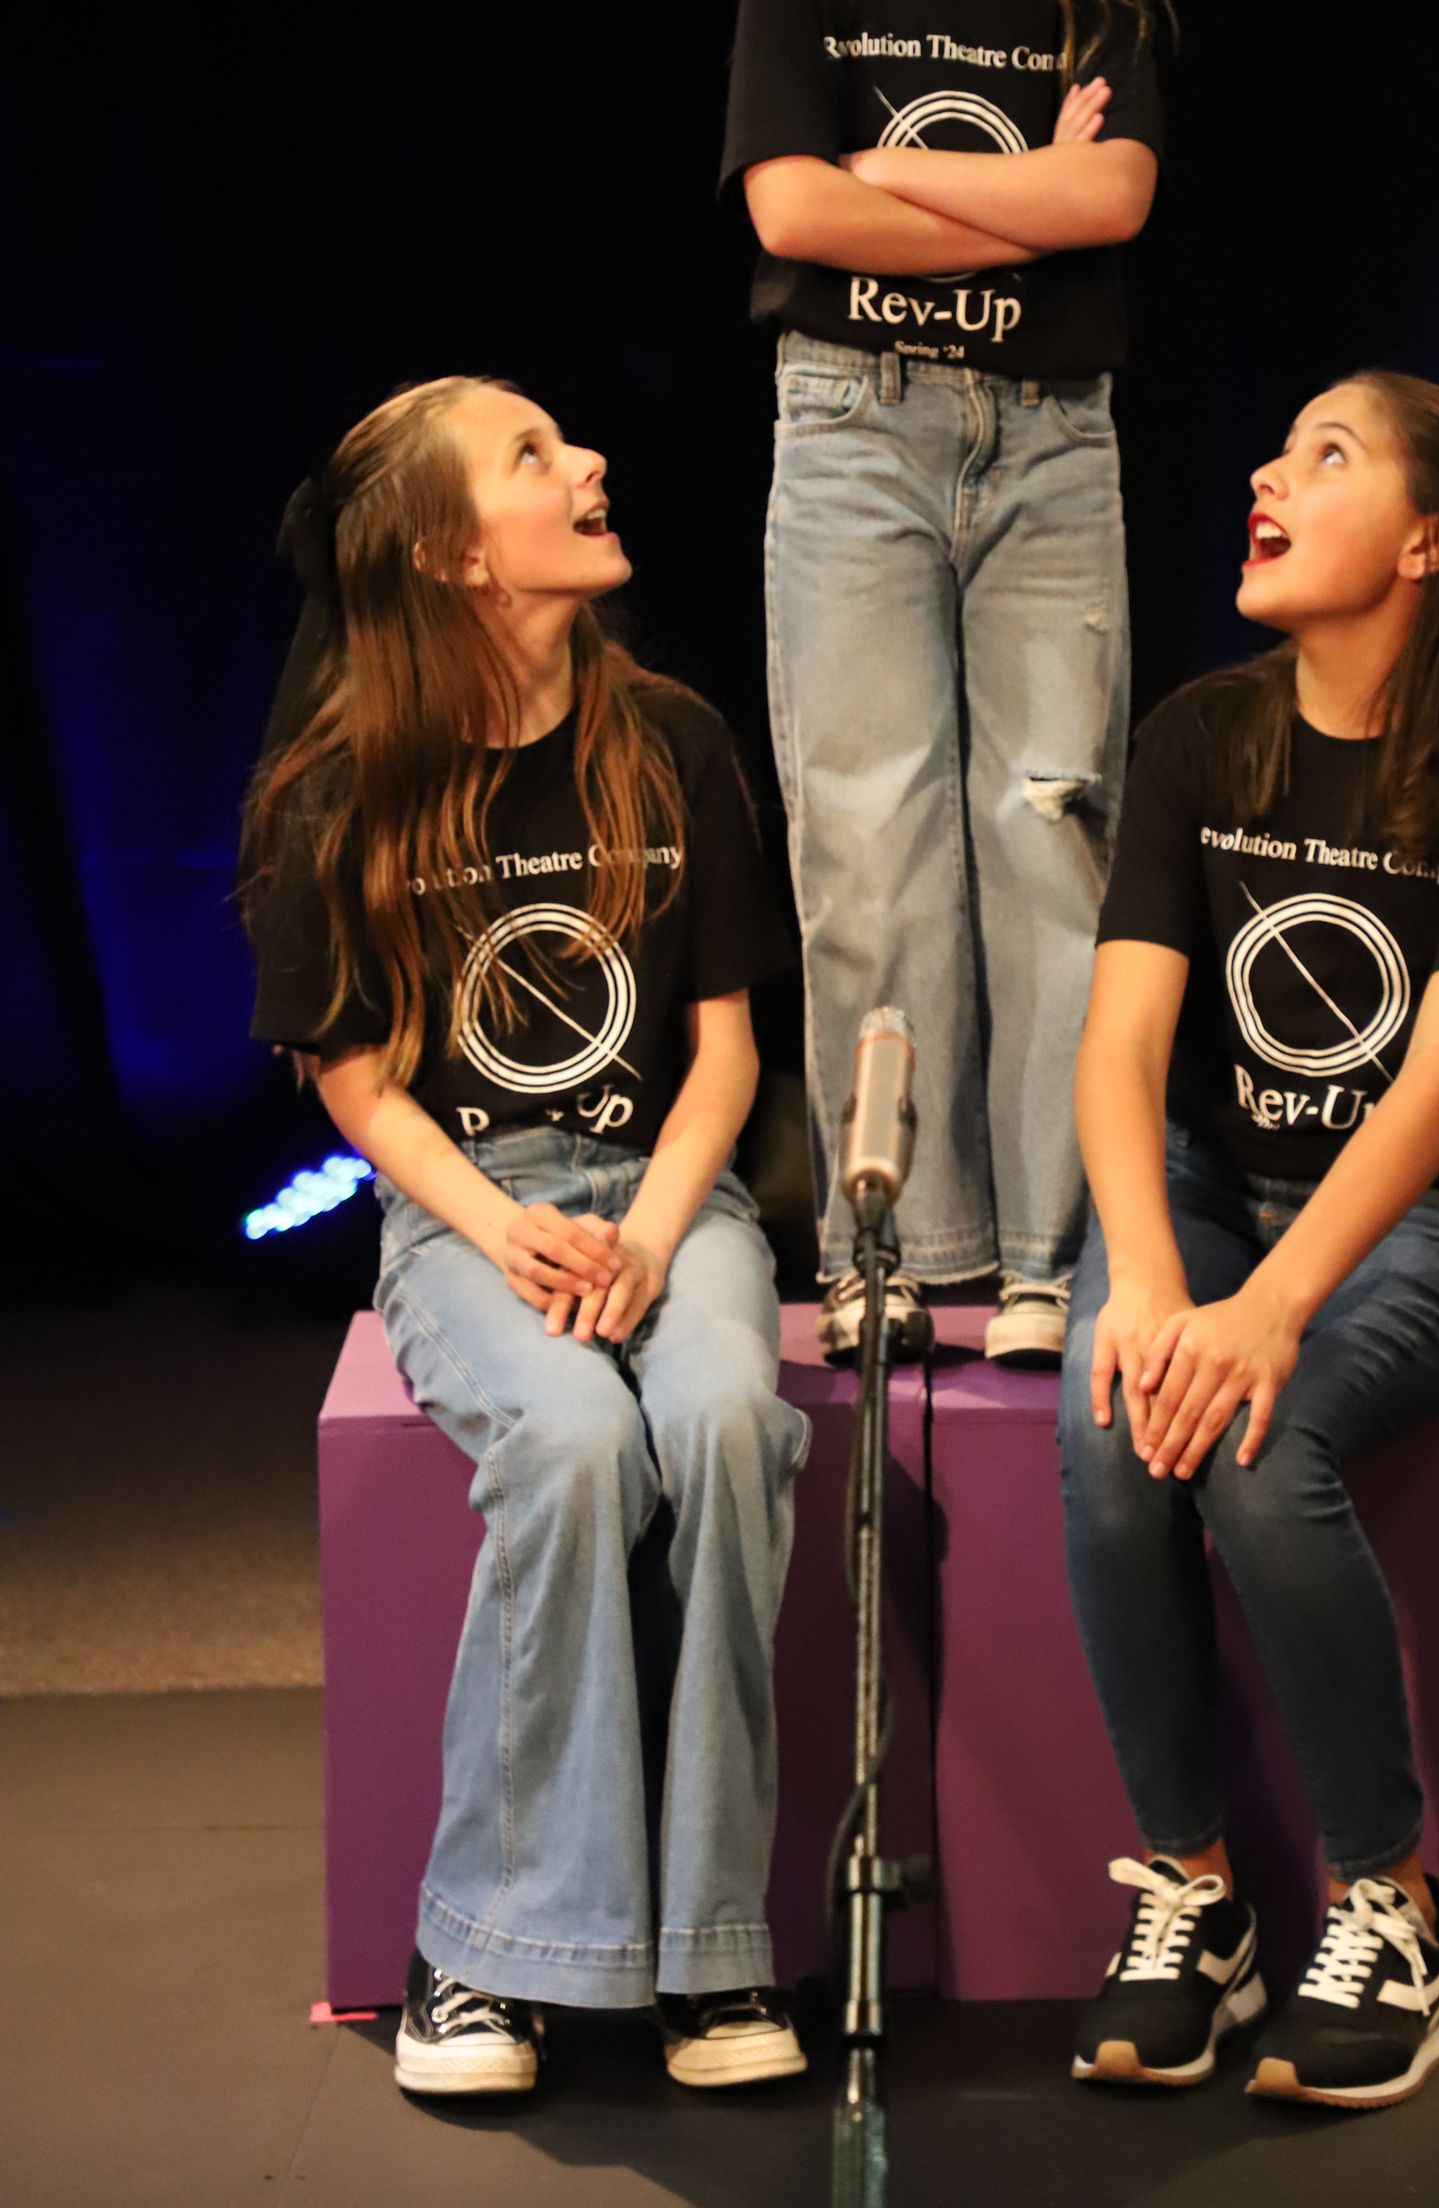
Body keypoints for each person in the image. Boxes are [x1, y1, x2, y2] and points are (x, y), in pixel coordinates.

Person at [244, 376, 808, 2099]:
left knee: (718, 1421)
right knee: (568, 1444)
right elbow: (356, 1084)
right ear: (447, 552)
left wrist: (646, 1227)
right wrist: (502, 1232)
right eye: (534, 455)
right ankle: (488, 1953)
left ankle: (711, 1953)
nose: (590, 464)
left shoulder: (677, 739)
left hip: (669, 1190)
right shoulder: (340, 786)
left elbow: (726, 1048)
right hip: (465, 1216)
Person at [1060, 371, 1439, 2108]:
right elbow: (1124, 1045)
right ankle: (1197, 1898)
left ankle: (1394, 1901)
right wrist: (1151, 1277)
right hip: (1207, 1185)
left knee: (1257, 1442)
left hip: (1415, 1219)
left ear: (1429, 540)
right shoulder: (1200, 733)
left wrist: (1273, 1311)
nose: (1267, 473)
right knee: (1115, 1426)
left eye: (1326, 454)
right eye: (1280, 442)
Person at [720, 0, 1167, 1366]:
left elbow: (1122, 197)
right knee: (872, 837)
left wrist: (887, 163)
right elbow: (788, 212)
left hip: (1052, 440)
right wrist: (1013, 191)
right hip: (857, 430)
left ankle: (1058, 1261)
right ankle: (902, 1252)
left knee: (1052, 825)